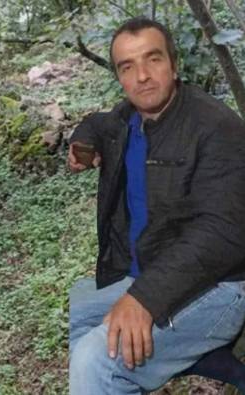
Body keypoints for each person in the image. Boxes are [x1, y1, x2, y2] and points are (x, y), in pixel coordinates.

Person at [67, 17, 245, 393]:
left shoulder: (216, 127)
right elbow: (99, 123)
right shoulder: (129, 118)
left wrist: (145, 298)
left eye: (153, 59)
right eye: (127, 66)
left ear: (174, 65)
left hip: (222, 284)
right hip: (153, 269)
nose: (142, 76)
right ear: (118, 77)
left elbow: (224, 231)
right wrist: (83, 140)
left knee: (93, 358)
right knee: (81, 306)